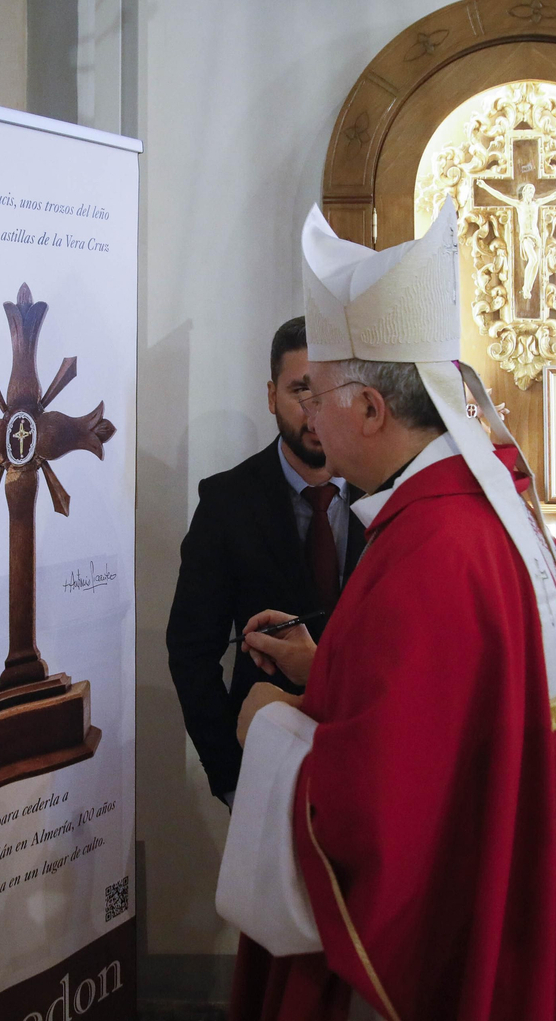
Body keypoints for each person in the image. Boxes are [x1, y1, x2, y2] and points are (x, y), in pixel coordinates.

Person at [214, 201, 556, 1021]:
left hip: (433, 943)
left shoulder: (432, 552)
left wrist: (267, 723)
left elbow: (377, 812)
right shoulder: (478, 514)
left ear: (373, 410)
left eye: (322, 395)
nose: (310, 416)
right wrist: (324, 669)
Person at [166, 316, 366, 805]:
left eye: (329, 392)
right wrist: (232, 774)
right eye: (302, 391)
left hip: (368, 759)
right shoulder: (226, 503)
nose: (316, 412)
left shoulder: (386, 493)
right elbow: (191, 650)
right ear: (272, 395)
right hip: (265, 765)